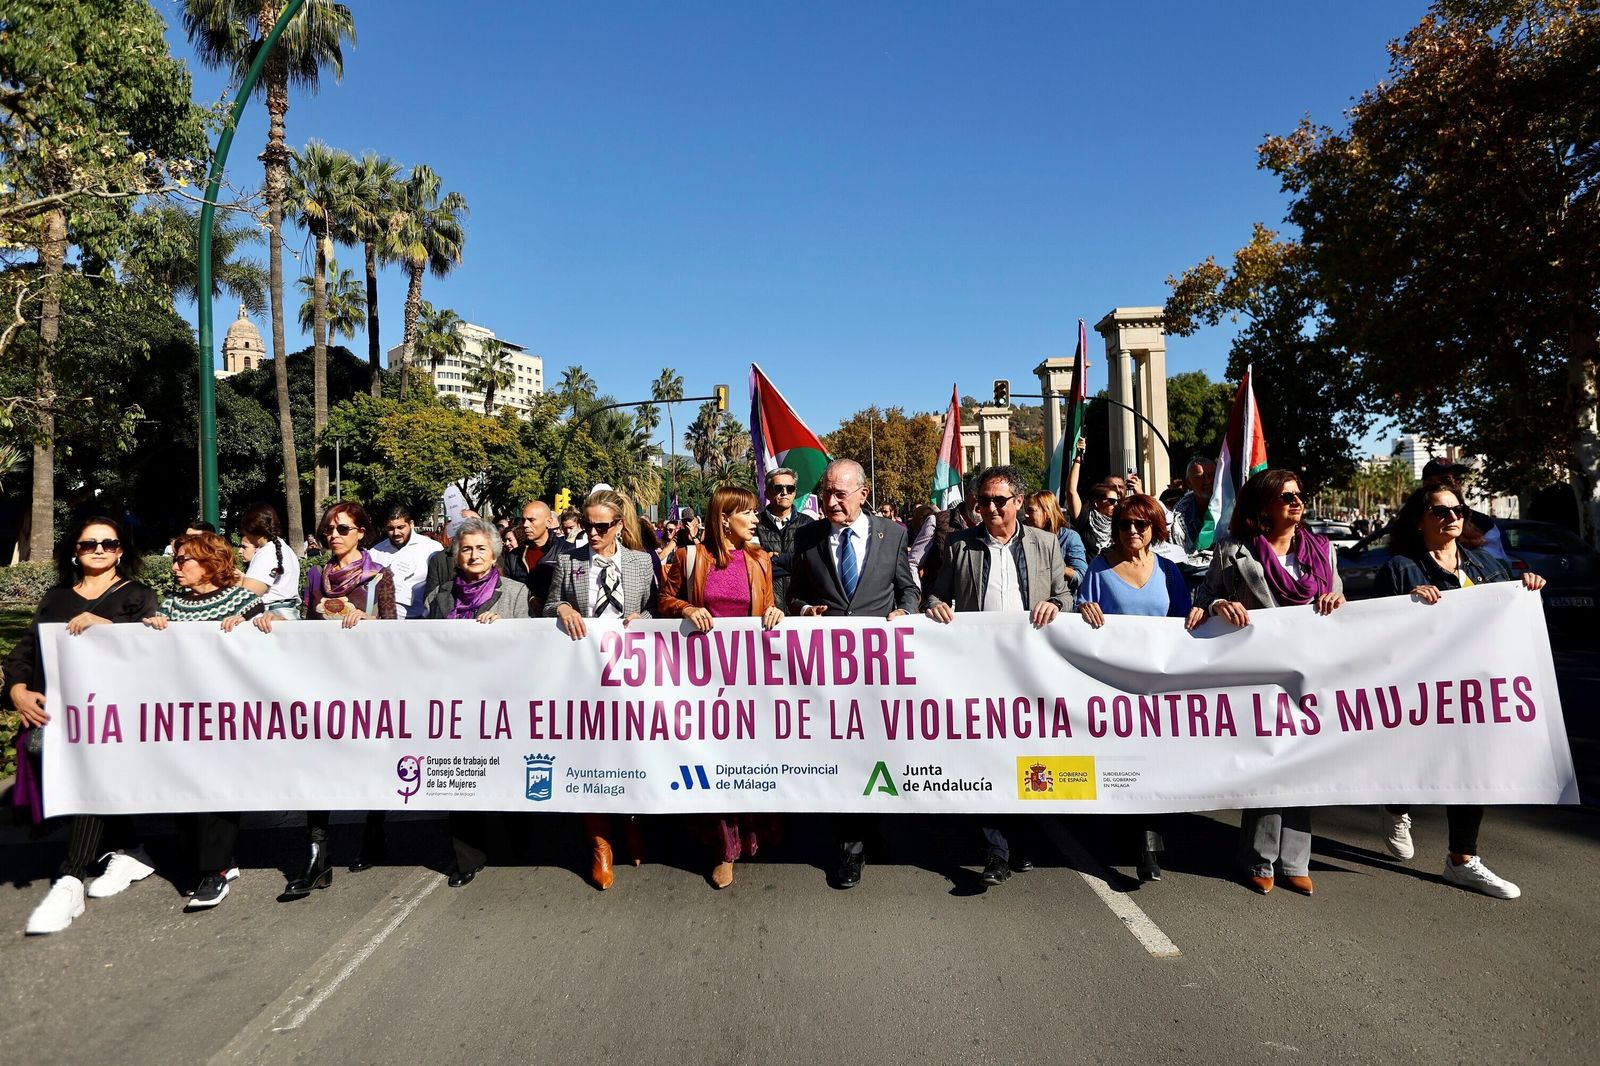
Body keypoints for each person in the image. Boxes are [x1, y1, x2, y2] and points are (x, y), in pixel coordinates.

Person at [1370, 482, 1544, 899]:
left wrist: (1530, 589)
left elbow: (1509, 618)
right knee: (1420, 760)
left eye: (1458, 510)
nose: (1452, 517)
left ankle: (1462, 860)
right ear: (1419, 520)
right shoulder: (1400, 568)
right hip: (1421, 689)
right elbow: (1373, 635)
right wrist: (1406, 605)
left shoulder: (1487, 564)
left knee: (1471, 766)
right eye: (1440, 511)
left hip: (1475, 690)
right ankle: (1396, 805)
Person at [1185, 469, 1344, 896]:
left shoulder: (1323, 551)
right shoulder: (1233, 550)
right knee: (1269, 761)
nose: (1296, 501)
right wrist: (1219, 603)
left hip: (1312, 670)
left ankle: (1295, 859)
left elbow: (1341, 602)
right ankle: (1258, 856)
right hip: (1259, 673)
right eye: (1286, 495)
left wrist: (1337, 599)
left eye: (1299, 495)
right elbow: (1204, 598)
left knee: (1303, 763)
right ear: (1263, 506)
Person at [7, 517, 161, 934]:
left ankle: (71, 878)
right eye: (88, 543)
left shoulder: (137, 596)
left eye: (108, 543)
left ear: (120, 551)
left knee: (90, 772)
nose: (98, 549)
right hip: (59, 713)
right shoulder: (57, 598)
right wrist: (18, 689)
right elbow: (27, 647)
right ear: (74, 551)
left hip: (116, 719)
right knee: (51, 758)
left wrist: (107, 627)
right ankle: (129, 850)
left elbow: (155, 650)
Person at [924, 466, 1071, 886]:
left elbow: (1063, 594)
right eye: (982, 500)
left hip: (1031, 671)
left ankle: (1021, 842)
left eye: (998, 500)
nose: (989, 508)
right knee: (987, 757)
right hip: (980, 672)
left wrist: (1057, 606)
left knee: (1027, 758)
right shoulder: (959, 546)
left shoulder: (1046, 544)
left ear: (1018, 503)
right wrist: (935, 605)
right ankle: (995, 852)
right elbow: (935, 592)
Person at [787, 458, 921, 889]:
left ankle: (869, 827)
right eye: (826, 492)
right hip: (826, 672)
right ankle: (850, 847)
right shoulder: (806, 537)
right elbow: (792, 594)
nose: (830, 502)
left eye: (839, 494)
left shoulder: (893, 535)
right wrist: (805, 610)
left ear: (863, 494)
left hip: (878, 669)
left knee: (873, 752)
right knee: (839, 752)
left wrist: (908, 611)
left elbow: (908, 587)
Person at [262, 502, 397, 899]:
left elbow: (393, 628)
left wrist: (368, 621)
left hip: (366, 681)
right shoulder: (317, 574)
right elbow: (306, 624)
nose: (333, 535)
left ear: (361, 532)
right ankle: (317, 856)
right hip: (324, 682)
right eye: (328, 530)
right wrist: (278, 622)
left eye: (342, 528)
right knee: (316, 762)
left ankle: (374, 829)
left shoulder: (378, 576)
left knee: (372, 758)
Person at [659, 485, 784, 889]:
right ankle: (724, 849)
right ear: (724, 519)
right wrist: (688, 608)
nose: (754, 519)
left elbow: (766, 606)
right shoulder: (689, 557)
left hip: (748, 678)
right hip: (702, 682)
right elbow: (663, 599)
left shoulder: (760, 560)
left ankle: (753, 833)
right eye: (746, 513)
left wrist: (775, 611)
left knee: (747, 757)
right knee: (715, 761)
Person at [545, 488, 660, 889]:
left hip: (629, 677)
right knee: (591, 755)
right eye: (587, 525)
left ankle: (631, 823)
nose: (591, 533)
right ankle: (600, 844)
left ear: (617, 526)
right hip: (583, 675)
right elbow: (546, 605)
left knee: (629, 751)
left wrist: (642, 616)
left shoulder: (641, 563)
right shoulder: (568, 561)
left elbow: (656, 607)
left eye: (600, 526)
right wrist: (561, 608)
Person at [143, 531, 264, 909]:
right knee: (186, 791)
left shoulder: (242, 600)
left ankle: (215, 873)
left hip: (227, 717)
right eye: (175, 560)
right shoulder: (173, 605)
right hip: (184, 716)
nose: (176, 567)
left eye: (184, 560)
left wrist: (259, 623)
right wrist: (154, 628)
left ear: (211, 563)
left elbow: (273, 634)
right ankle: (211, 862)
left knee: (218, 791)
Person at [1075, 494, 1193, 882]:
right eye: (1124, 523)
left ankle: (1149, 847)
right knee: (1126, 765)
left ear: (1154, 528)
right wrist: (1082, 611)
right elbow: (1076, 618)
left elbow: (1184, 625)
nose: (1131, 531)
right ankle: (1133, 833)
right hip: (1114, 688)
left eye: (1141, 524)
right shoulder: (1098, 568)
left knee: (1152, 764)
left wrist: (1200, 612)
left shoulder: (1170, 572)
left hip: (1157, 688)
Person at [423, 516, 531, 888]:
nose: (473, 555)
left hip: (504, 700)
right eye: (466, 549)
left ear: (494, 553)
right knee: (463, 776)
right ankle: (467, 856)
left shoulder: (516, 593)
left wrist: (506, 630)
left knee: (510, 770)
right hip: (457, 703)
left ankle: (521, 842)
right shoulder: (440, 597)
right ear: (455, 556)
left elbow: (532, 645)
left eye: (481, 548)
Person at [1421, 456, 1511, 564]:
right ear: (1427, 484)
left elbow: (1497, 565)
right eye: (1446, 479)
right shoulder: (1410, 521)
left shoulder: (1483, 523)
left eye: (1458, 478)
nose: (1454, 484)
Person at [755, 466, 815, 608]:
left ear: (794, 493)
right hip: (766, 608)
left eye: (790, 488)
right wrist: (794, 563)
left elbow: (812, 566)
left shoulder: (808, 525)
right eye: (778, 488)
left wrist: (776, 559)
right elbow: (753, 567)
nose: (784, 493)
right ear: (767, 493)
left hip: (801, 607)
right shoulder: (754, 525)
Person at [369, 505, 444, 619]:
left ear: (411, 524)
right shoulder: (375, 552)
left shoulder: (432, 548)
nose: (396, 533)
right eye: (391, 528)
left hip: (423, 620)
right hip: (385, 621)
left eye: (401, 527)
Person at [237, 502, 301, 619]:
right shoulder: (284, 548)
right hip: (287, 613)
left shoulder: (267, 553)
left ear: (249, 528)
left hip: (271, 617)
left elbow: (247, 596)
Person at [1023, 490, 1088, 590]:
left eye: (1031, 510)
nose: (1026, 515)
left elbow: (1080, 577)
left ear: (1047, 512)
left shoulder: (1069, 538)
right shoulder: (1023, 536)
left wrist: (1053, 566)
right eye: (1025, 511)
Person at [504, 500, 562, 613]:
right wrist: (529, 598)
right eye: (523, 520)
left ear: (548, 522)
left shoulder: (567, 551)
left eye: (531, 520)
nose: (525, 525)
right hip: (521, 618)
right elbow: (507, 589)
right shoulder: (514, 556)